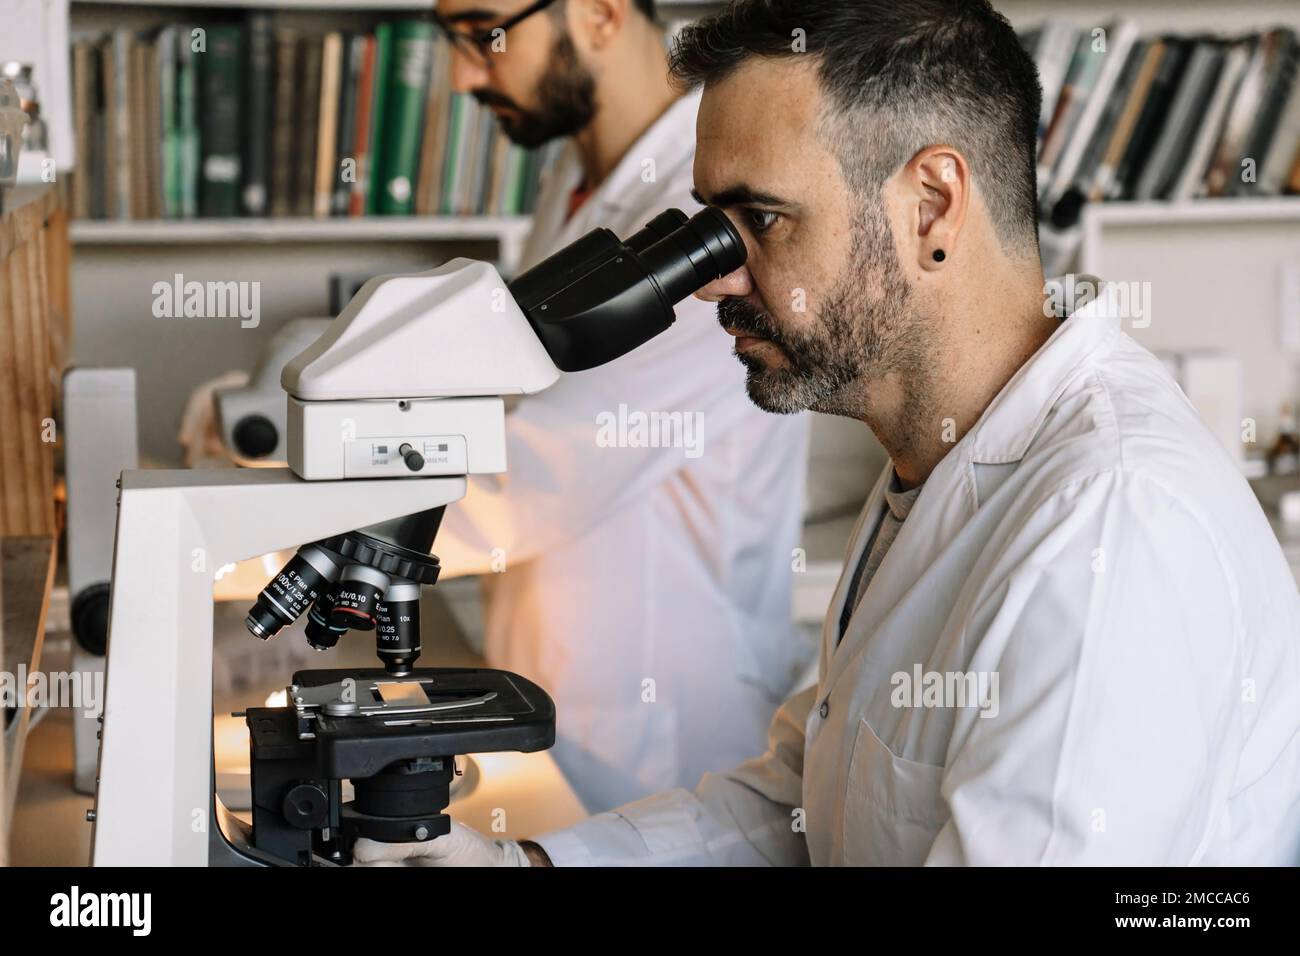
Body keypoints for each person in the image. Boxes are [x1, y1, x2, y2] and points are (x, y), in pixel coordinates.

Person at [357, 0, 1300, 866]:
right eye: (713, 226)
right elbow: (800, 803)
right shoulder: (939, 460)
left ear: (931, 208)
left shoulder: (1109, 532)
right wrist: (535, 864)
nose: (717, 278)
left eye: (761, 220)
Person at [423, 0, 812, 814]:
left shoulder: (714, 217)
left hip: (666, 730)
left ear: (599, 13)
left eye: (482, 31)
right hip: (558, 684)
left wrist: (280, 514)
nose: (462, 72)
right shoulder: (579, 174)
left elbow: (527, 480)